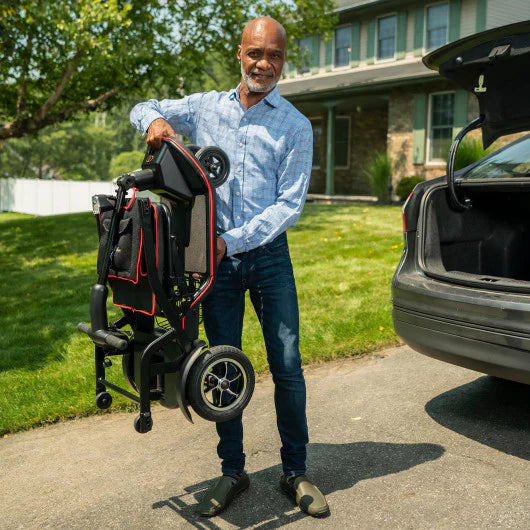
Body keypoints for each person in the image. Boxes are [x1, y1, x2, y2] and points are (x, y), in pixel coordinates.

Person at [130, 16, 328, 518]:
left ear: (284, 60)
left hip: (267, 260)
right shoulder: (205, 108)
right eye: (255, 53)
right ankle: (232, 471)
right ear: (239, 53)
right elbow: (145, 106)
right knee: (222, 364)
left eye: (275, 56)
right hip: (213, 266)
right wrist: (153, 124)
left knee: (287, 366)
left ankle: (296, 472)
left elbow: (289, 206)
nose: (264, 63)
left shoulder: (295, 126)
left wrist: (229, 241)